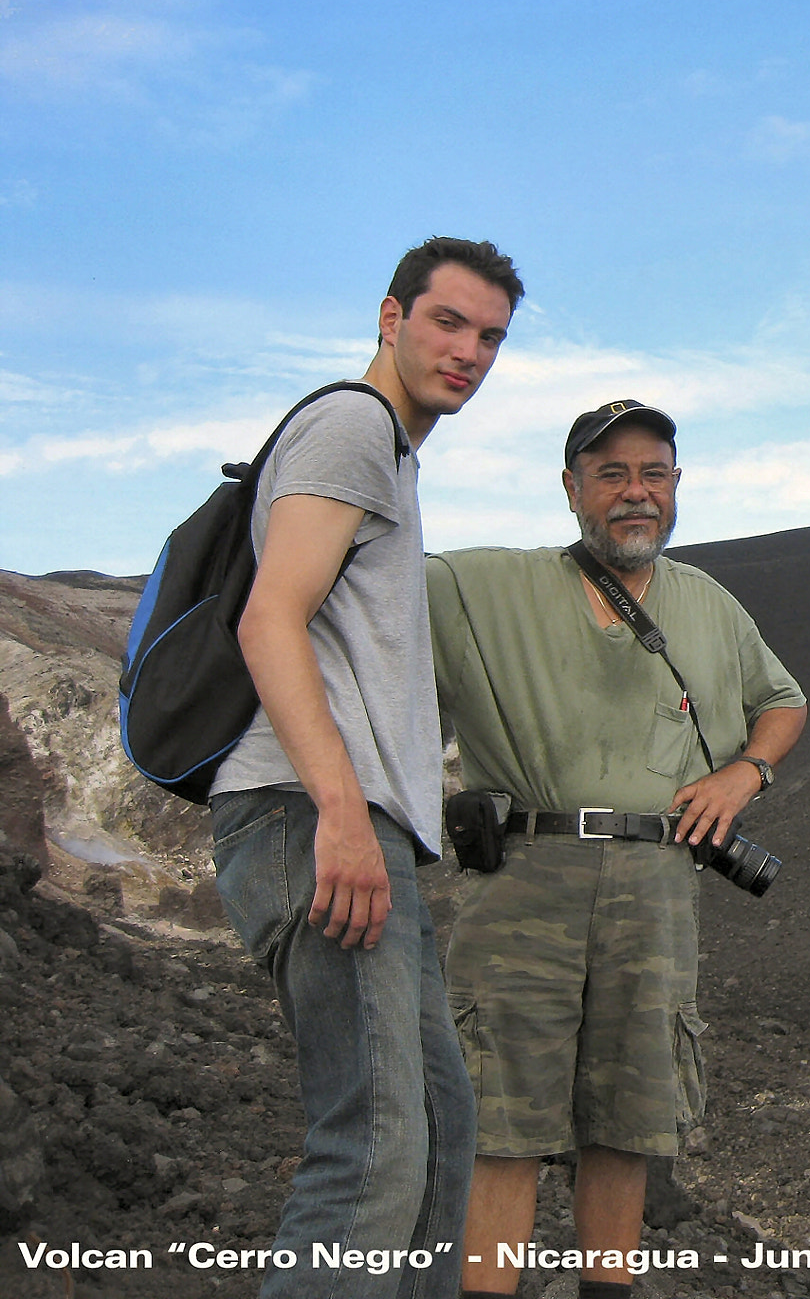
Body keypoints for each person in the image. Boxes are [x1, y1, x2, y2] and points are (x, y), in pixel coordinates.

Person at [426, 400, 806, 1299]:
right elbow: (357, 581)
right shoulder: (480, 585)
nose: (636, 494)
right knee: (502, 1119)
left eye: (654, 474)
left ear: (676, 486)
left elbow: (782, 699)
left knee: (629, 1118)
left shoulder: (709, 603)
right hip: (526, 877)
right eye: (611, 475)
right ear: (571, 489)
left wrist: (743, 775)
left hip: (656, 880)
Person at [209, 236, 522, 1298]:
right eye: (448, 322)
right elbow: (270, 619)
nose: (468, 352)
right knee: (376, 1155)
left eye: (490, 337)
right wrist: (342, 812)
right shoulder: (353, 425)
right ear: (391, 318)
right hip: (310, 815)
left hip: (359, 823)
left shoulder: (392, 449)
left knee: (436, 1130)